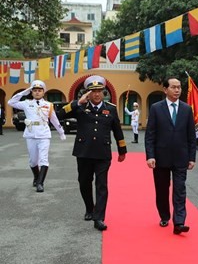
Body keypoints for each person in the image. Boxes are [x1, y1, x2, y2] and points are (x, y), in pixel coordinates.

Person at [57, 75, 127, 231]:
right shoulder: (80, 107)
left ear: (103, 92)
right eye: (93, 91)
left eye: (99, 91)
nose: (96, 94)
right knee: (84, 182)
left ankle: (99, 217)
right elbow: (58, 115)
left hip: (103, 153)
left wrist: (122, 150)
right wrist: (76, 102)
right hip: (84, 152)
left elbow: (117, 131)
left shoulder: (111, 108)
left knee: (102, 185)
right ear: (87, 93)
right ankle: (90, 208)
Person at [145, 77, 196, 235]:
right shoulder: (156, 108)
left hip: (181, 157)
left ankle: (179, 222)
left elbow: (191, 136)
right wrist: (150, 155)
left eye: (179, 87)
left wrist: (192, 157)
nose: (177, 90)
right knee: (162, 189)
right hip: (161, 157)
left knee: (180, 190)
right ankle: (164, 215)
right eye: (173, 87)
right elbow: (150, 135)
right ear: (165, 89)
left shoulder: (187, 109)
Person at [8, 80, 66, 192]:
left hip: (44, 134)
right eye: (34, 90)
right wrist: (24, 92)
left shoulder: (48, 105)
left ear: (43, 92)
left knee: (44, 159)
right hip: (30, 134)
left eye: (40, 90)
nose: (37, 92)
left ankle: (40, 183)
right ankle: (36, 176)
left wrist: (61, 132)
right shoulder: (26, 103)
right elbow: (11, 102)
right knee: (33, 161)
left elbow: (54, 119)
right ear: (32, 92)